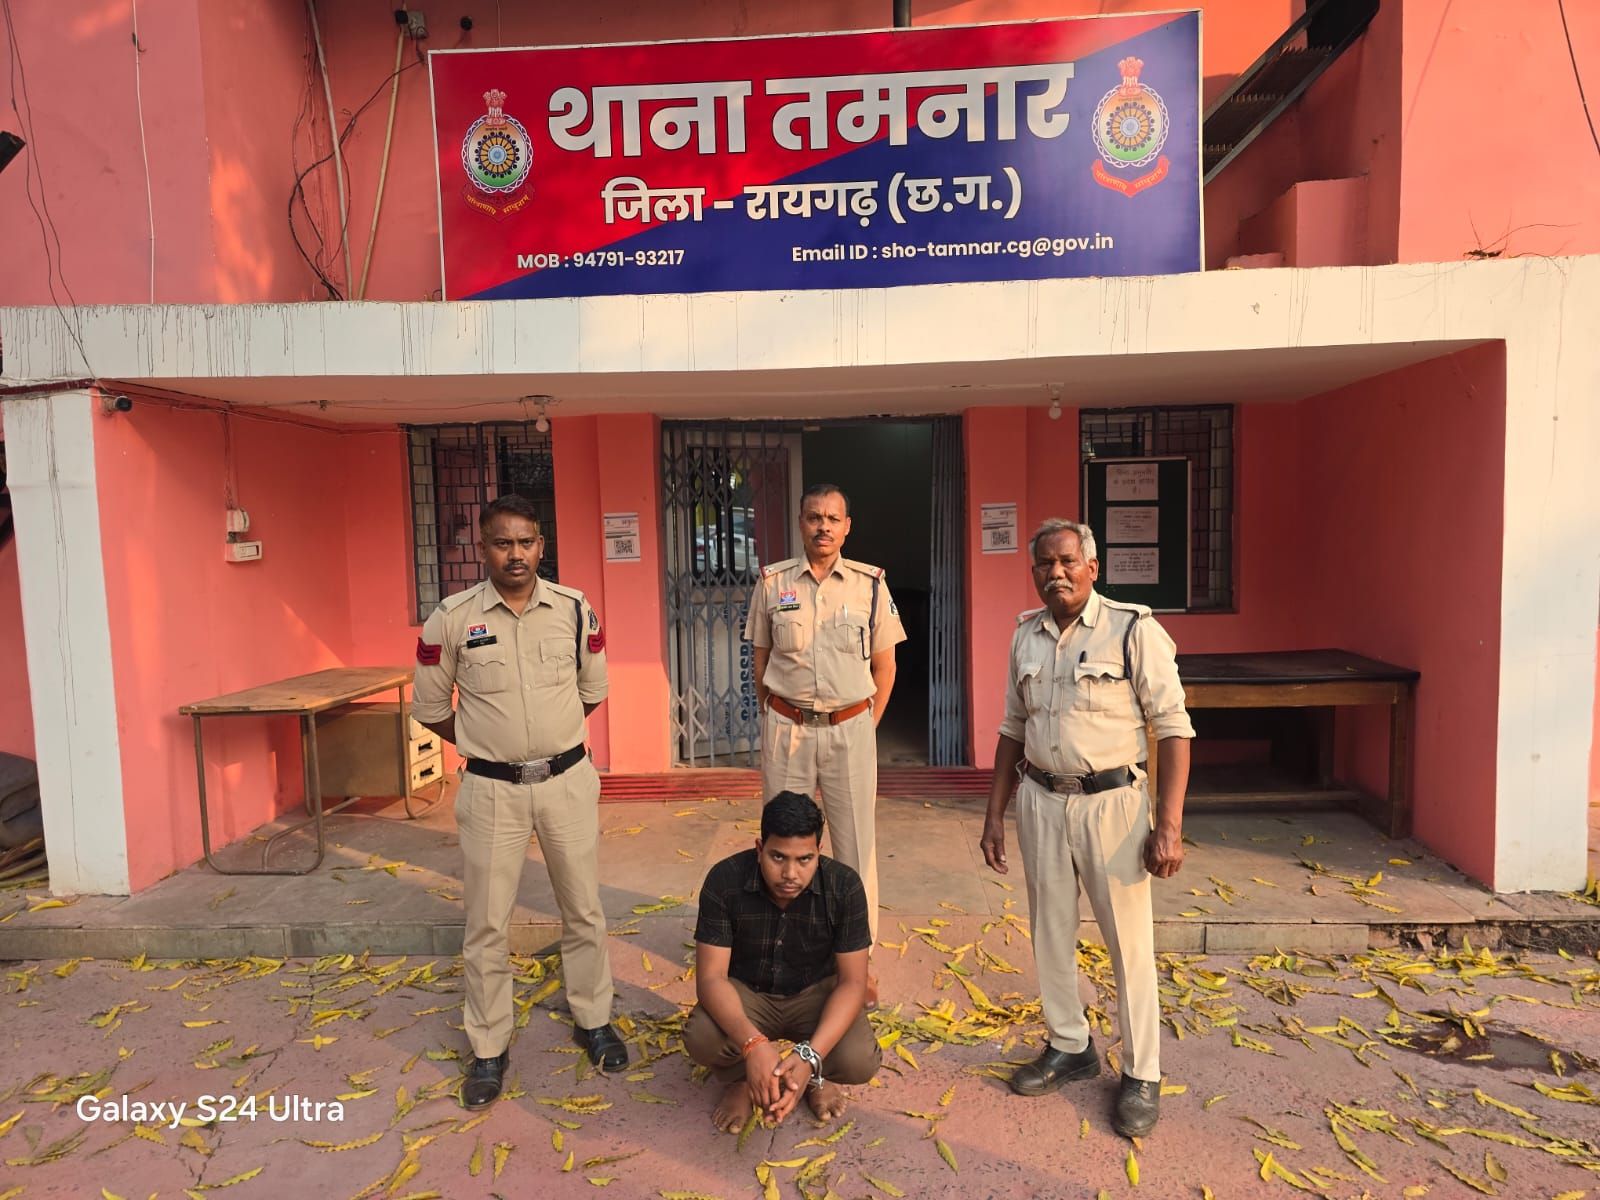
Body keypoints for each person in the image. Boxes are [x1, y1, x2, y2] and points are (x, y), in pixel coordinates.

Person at [979, 518, 1193, 1137]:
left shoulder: (1133, 630)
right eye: (1044, 564)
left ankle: (1142, 1072)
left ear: (1092, 567)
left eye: (1067, 561)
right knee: (1050, 932)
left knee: (1129, 943)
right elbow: (1012, 727)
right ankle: (1069, 1045)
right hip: (1042, 801)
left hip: (1114, 806)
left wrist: (1169, 824)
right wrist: (995, 812)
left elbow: (1173, 727)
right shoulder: (1025, 635)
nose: (1056, 573)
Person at [413, 494, 628, 1110]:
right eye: (503, 543)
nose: (516, 554)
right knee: (486, 922)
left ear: (541, 546)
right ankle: (488, 1046)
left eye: (526, 542)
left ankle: (594, 1020)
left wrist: (550, 744)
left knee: (583, 909)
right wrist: (488, 746)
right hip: (491, 791)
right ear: (482, 548)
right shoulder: (451, 619)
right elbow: (430, 707)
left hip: (566, 783)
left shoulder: (574, 609)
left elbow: (591, 691)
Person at [743, 484, 906, 953]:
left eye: (833, 519)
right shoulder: (773, 583)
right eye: (814, 517)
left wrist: (865, 725)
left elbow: (886, 667)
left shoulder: (870, 585)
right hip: (787, 730)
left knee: (855, 846)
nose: (823, 527)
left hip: (850, 730)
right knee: (784, 846)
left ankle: (857, 953)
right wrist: (776, 716)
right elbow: (761, 660)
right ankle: (786, 946)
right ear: (801, 523)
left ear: (847, 527)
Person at [684, 791, 881, 1131]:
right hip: (749, 994)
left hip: (815, 995)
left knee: (859, 1059)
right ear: (759, 848)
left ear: (819, 852)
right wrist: (753, 1045)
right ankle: (742, 1080)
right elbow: (711, 978)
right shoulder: (725, 880)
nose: (790, 873)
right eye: (778, 857)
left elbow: (853, 982)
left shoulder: (844, 886)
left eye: (804, 859)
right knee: (701, 1037)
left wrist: (809, 1057)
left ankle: (814, 1076)